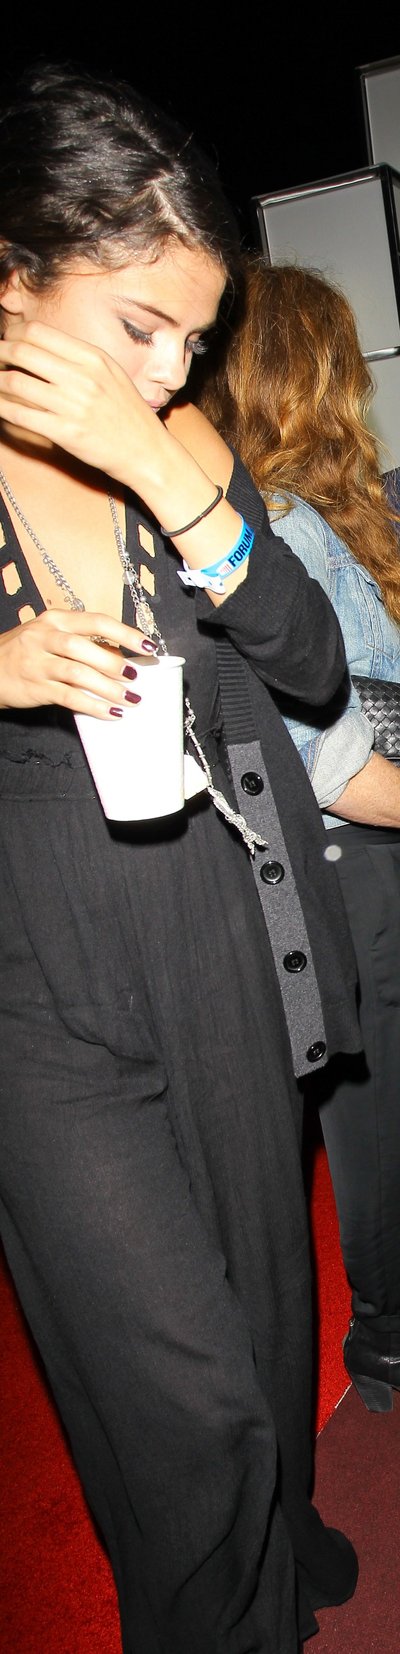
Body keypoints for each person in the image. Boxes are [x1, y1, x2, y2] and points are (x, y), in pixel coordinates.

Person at [0, 68, 362, 1654]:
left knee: (271, 1332)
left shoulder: (180, 438)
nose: (167, 368)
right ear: (13, 278)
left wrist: (161, 464)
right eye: (140, 324)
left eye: (192, 341)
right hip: (34, 991)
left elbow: (310, 664)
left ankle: (280, 1543)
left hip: (219, 933)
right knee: (181, 1400)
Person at [195, 255, 400, 1417]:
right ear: (310, 375)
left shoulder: (322, 516)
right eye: (345, 361)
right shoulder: (274, 529)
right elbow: (334, 766)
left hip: (363, 847)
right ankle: (387, 1333)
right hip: (346, 855)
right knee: (374, 1115)